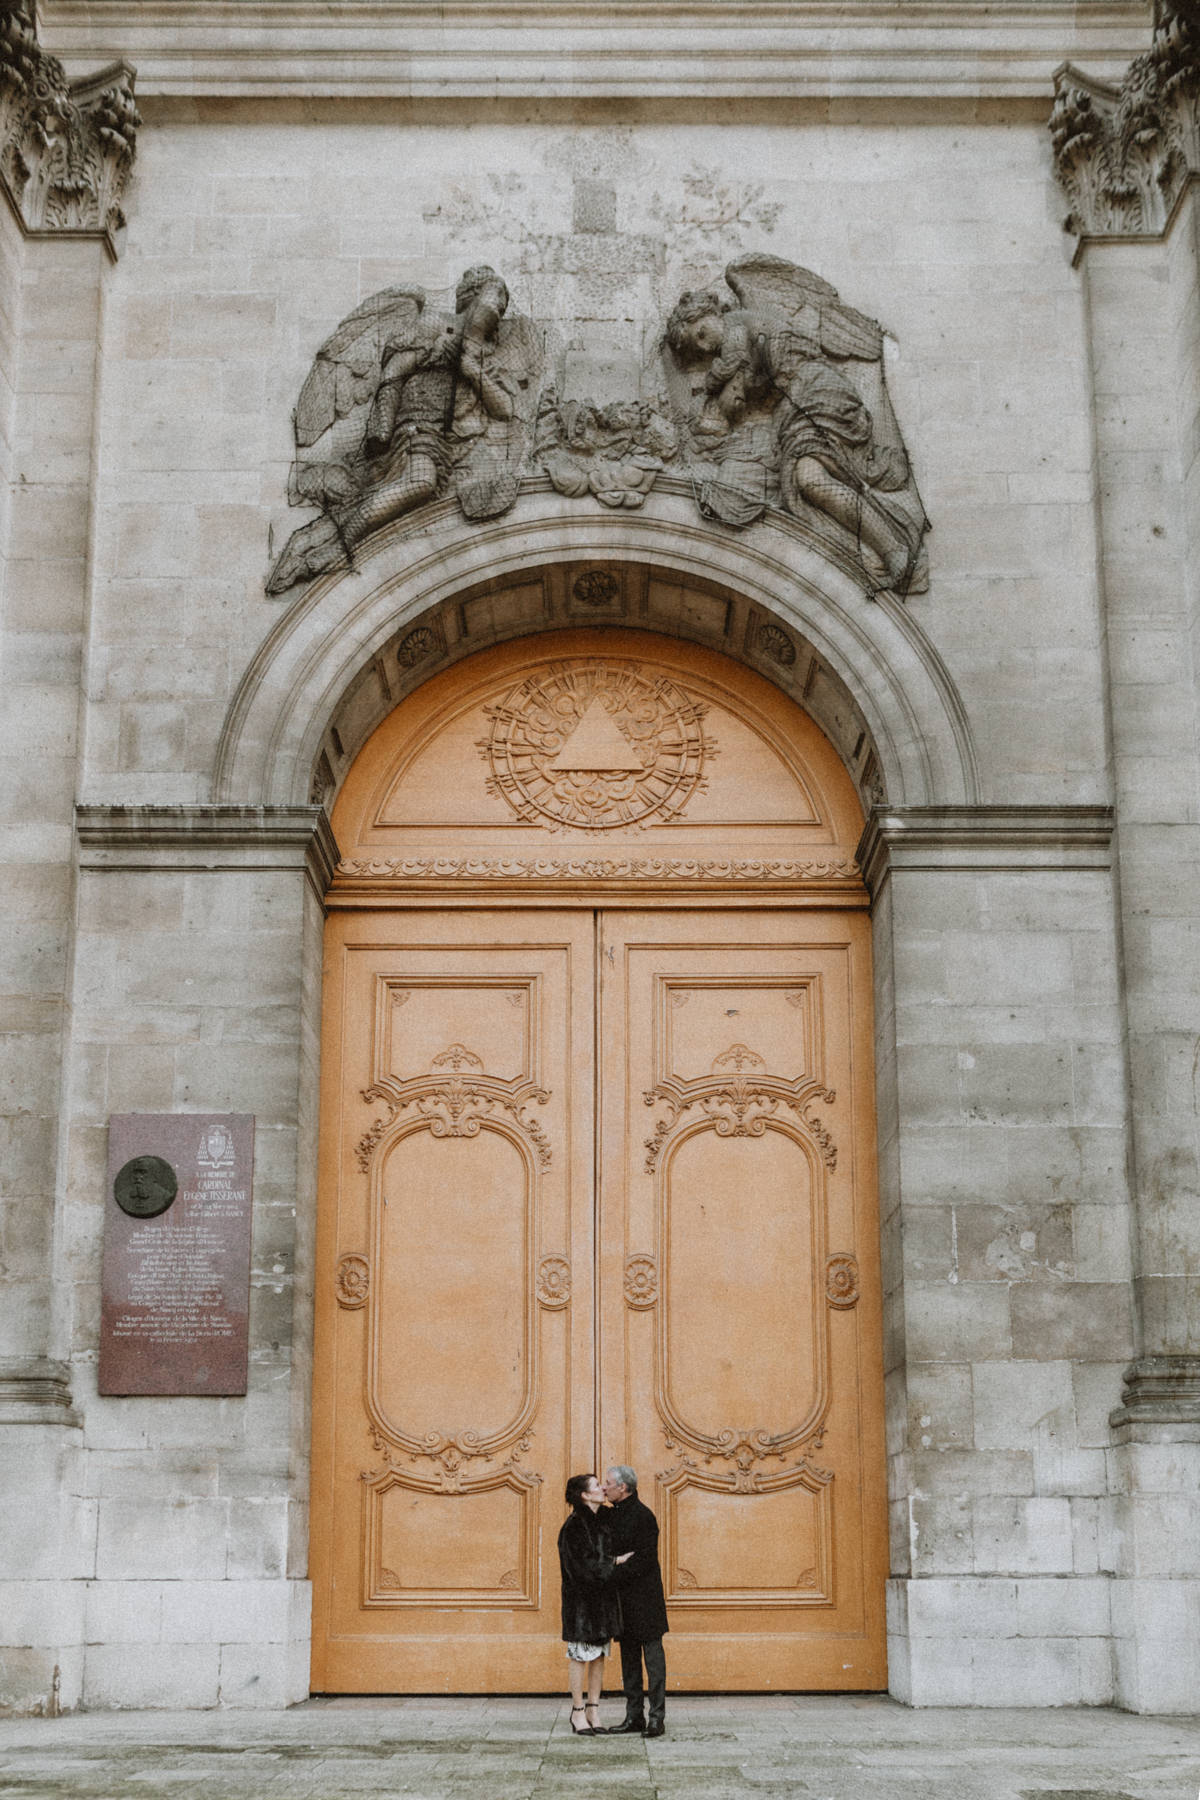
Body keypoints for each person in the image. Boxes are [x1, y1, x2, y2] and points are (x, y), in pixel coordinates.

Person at [602, 1464, 669, 1737]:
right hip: (624, 1600)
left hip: (646, 1600)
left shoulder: (644, 1517)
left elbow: (644, 1560)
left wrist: (611, 1572)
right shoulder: (610, 1515)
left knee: (653, 1660)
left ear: (623, 1487)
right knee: (629, 1661)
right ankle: (634, 1717)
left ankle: (656, 1718)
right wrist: (613, 1565)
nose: (604, 1488)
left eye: (608, 1483)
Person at [557, 1472, 626, 1736]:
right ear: (585, 1495)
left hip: (603, 1602)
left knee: (598, 1656)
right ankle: (577, 1711)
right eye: (597, 1486)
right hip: (582, 1605)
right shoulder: (574, 1526)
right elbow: (579, 1568)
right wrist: (614, 1562)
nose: (603, 1489)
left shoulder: (603, 1519)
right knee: (579, 1656)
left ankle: (593, 1709)